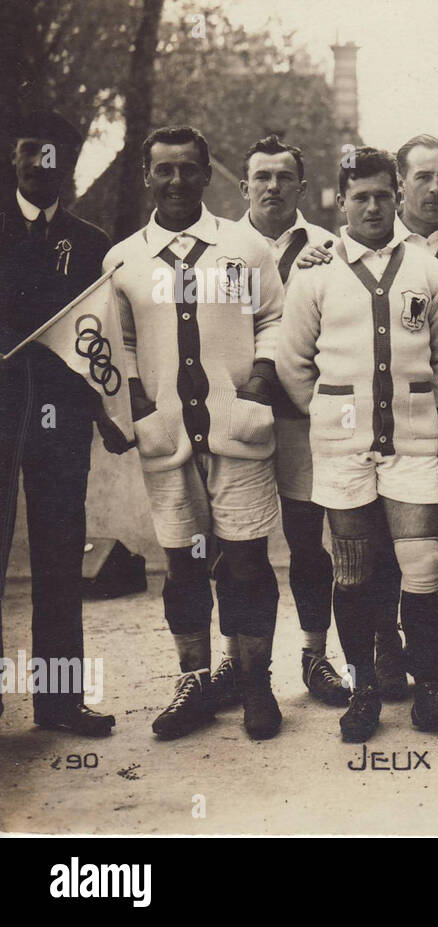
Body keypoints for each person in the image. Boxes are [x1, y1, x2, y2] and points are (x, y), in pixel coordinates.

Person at [277, 147, 438, 743]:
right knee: (355, 573)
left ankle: (431, 694)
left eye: (382, 195)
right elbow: (293, 364)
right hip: (341, 450)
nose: (372, 206)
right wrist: (337, 412)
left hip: (413, 446)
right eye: (359, 196)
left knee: (422, 568)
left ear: (397, 198)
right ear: (341, 202)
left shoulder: (430, 270)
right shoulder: (314, 271)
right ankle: (364, 688)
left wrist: (418, 413)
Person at [106, 125, 286, 740]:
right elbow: (119, 341)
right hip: (168, 434)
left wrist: (261, 374)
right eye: (165, 170)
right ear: (147, 177)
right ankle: (195, 681)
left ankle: (254, 678)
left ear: (208, 175)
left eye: (189, 169)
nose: (177, 180)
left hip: (236, 430)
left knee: (245, 558)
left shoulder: (243, 247)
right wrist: (133, 393)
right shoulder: (123, 259)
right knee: (183, 564)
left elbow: (273, 317)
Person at [0, 110, 114, 735]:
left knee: (60, 558)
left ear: (68, 167)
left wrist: (109, 416)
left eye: (53, 157)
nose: (40, 166)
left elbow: (98, 345)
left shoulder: (91, 242)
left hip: (61, 421)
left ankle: (59, 701)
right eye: (28, 154)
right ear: (14, 160)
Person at [235, 134, 350, 709]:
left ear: (302, 187)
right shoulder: (219, 249)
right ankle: (241, 668)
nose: (273, 186)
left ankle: (315, 655)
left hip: (304, 418)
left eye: (284, 177)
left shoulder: (332, 246)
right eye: (262, 177)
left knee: (308, 542)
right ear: (244, 186)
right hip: (240, 419)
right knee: (238, 550)